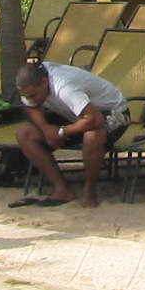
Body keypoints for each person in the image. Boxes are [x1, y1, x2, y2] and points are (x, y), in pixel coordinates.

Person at [10, 58, 127, 208]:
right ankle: (61, 189)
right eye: (27, 96)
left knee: (92, 136)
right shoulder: (31, 82)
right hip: (74, 114)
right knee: (24, 134)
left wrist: (60, 133)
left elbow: (95, 119)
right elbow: (30, 108)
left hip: (112, 114)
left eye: (33, 96)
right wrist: (46, 129)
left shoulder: (64, 86)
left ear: (45, 83)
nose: (31, 100)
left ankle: (90, 190)